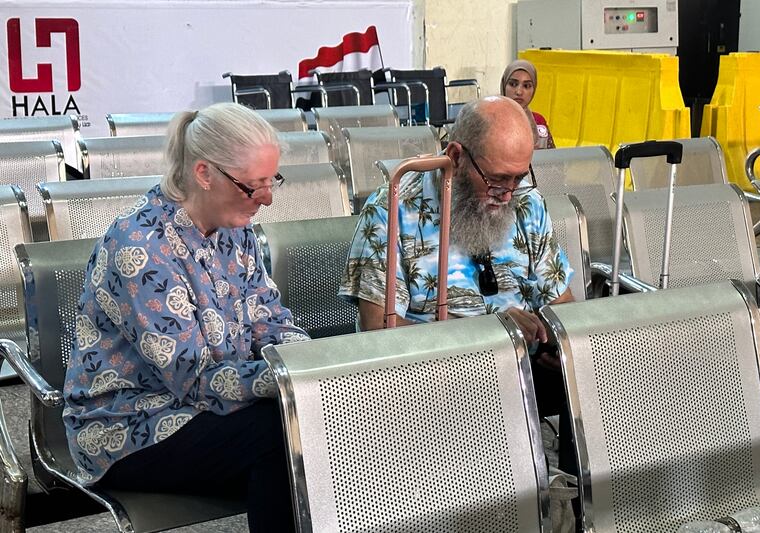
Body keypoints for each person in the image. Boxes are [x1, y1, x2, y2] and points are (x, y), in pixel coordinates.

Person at [62, 102, 308, 532]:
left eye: (272, 181)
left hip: (204, 406)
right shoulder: (141, 247)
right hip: (128, 425)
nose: (267, 199)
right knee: (280, 436)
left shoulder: (235, 227)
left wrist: (306, 362)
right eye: (254, 186)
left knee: (312, 421)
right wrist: (289, 378)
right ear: (204, 174)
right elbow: (191, 378)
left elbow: (270, 319)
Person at [338, 95, 576, 472]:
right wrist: (492, 334)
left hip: (521, 369)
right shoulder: (393, 210)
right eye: (497, 179)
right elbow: (379, 332)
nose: (508, 194)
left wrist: (558, 337)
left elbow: (561, 300)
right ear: (456, 155)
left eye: (519, 176)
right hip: (433, 380)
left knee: (596, 382)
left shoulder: (527, 203)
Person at [502, 59, 557, 150]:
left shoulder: (539, 121)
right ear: (504, 85)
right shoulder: (491, 121)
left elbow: (553, 161)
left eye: (526, 86)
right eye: (513, 84)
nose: (519, 92)